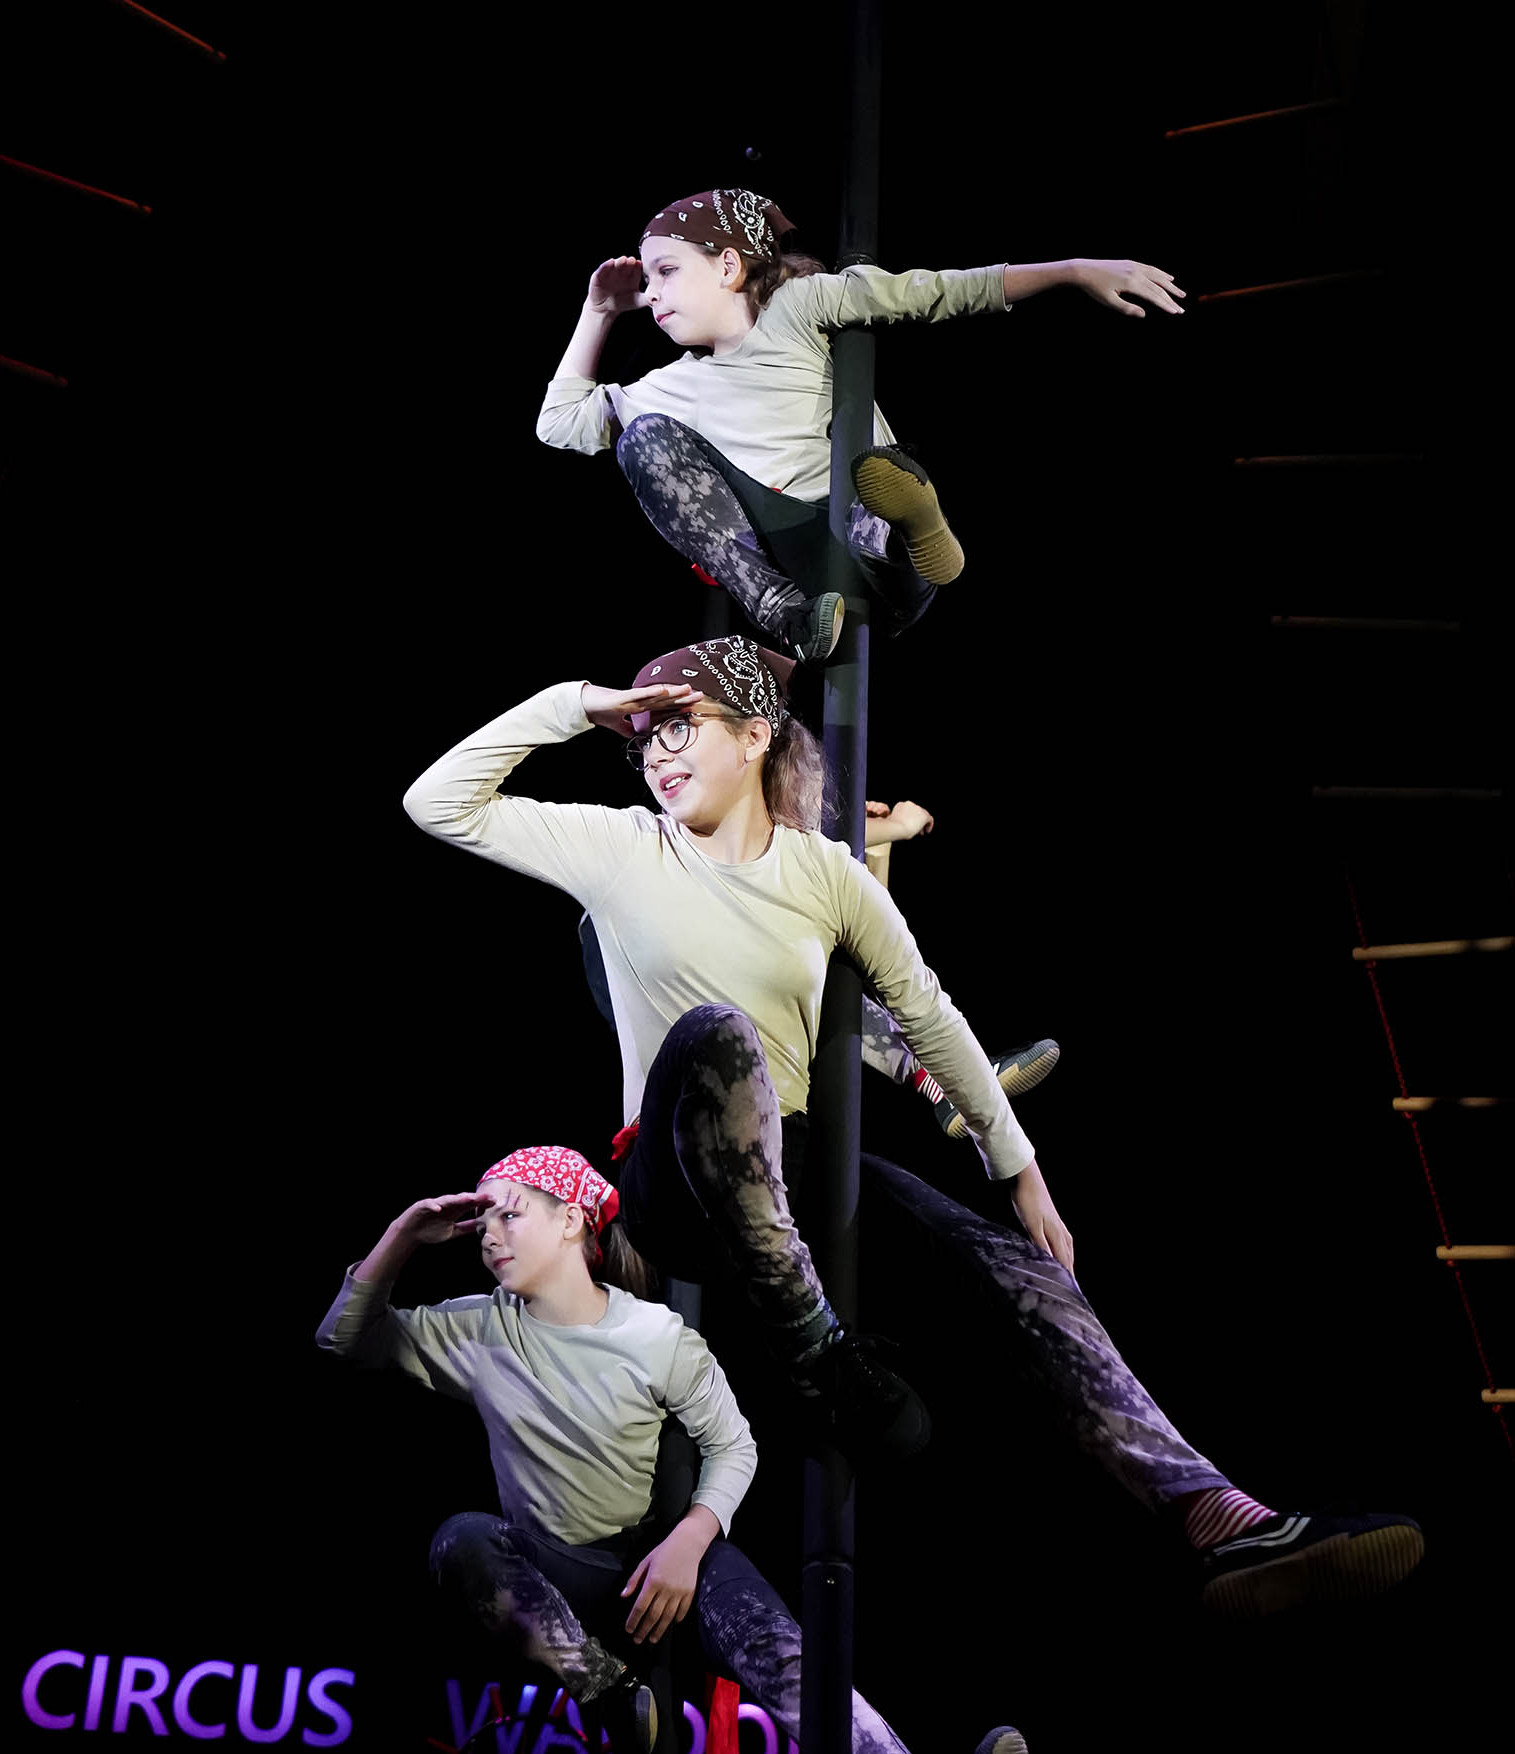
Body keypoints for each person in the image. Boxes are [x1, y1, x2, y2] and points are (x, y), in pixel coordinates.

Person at [401, 638, 1425, 1615]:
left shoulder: (823, 873)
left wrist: (1017, 1166)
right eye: (644, 738)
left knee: (1018, 1273)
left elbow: (927, 1013)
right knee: (716, 1035)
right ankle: (813, 1343)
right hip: (673, 1181)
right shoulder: (622, 847)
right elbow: (436, 801)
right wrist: (583, 703)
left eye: (682, 726)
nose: (657, 753)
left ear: (754, 736)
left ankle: (1218, 1516)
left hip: (793, 1173)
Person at [316, 1145, 1029, 1754]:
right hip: (560, 1579)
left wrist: (689, 1541)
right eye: (483, 1221)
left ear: (570, 1220)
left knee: (783, 1655)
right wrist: (404, 1235)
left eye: (510, 1214)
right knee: (460, 1540)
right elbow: (343, 1339)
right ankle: (608, 1694)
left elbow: (734, 1444)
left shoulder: (654, 1335)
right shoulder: (479, 1329)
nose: (489, 1235)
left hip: (662, 1564)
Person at [536, 189, 1185, 657]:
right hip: (799, 572)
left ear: (728, 266)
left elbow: (935, 292)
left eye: (666, 272)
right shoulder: (667, 389)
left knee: (873, 481)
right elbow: (558, 423)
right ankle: (785, 613)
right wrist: (599, 311)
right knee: (644, 440)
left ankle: (916, 532)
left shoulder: (798, 305)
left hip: (861, 531)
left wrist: (1071, 271)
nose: (650, 292)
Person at [579, 793, 1059, 1141]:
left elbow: (857, 953)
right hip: (647, 975)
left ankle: (937, 1082)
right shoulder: (686, 844)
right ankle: (938, 1081)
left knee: (826, 972)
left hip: (707, 1019)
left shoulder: (768, 863)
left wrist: (875, 849)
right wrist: (895, 826)